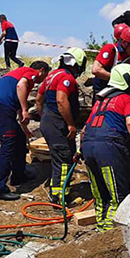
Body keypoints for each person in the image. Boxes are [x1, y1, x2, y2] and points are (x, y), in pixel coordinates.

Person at [75, 64, 130, 231]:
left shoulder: (100, 102)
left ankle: (102, 227)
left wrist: (80, 150)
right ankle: (115, 233)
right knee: (118, 193)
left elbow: (85, 129)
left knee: (100, 193)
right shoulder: (128, 99)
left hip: (88, 145)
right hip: (109, 147)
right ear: (126, 82)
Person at [0, 61, 50, 200]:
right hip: (1, 108)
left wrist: (25, 128)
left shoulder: (18, 74)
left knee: (20, 138)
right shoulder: (30, 73)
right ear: (41, 70)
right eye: (45, 75)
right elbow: (20, 86)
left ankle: (18, 176)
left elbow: (17, 107)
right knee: (8, 146)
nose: (43, 79)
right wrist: (25, 109)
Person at [39, 47, 87, 204]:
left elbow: (39, 100)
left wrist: (45, 118)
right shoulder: (67, 78)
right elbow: (61, 100)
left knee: (59, 158)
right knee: (65, 158)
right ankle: (61, 197)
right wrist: (71, 124)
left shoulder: (50, 76)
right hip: (58, 122)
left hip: (48, 120)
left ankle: (57, 192)